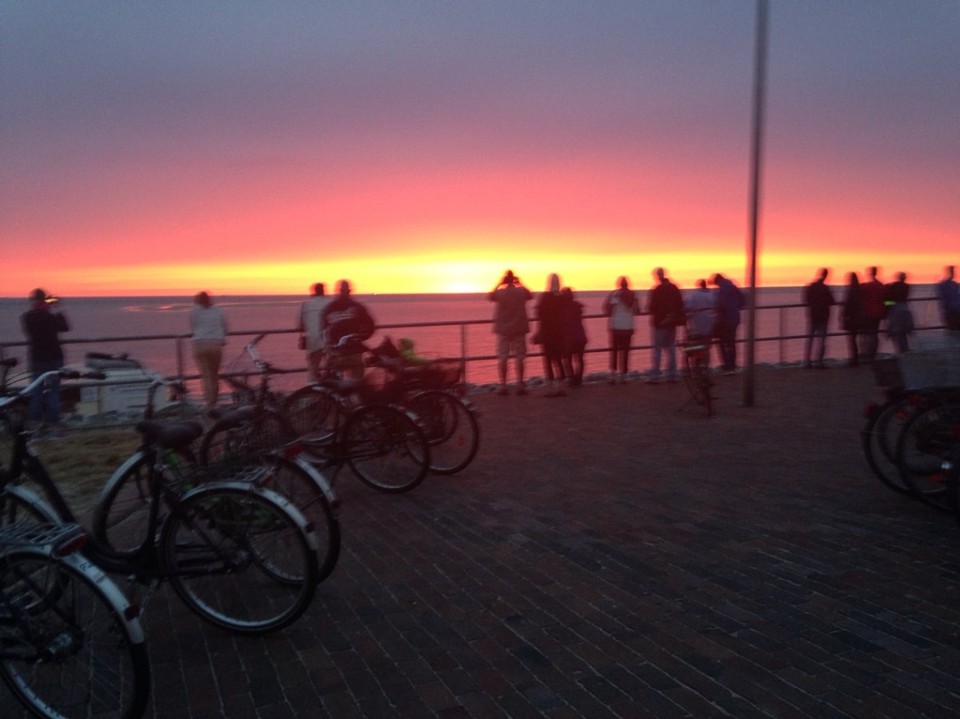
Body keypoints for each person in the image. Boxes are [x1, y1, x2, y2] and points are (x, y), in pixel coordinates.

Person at [20, 288, 70, 431]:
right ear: (45, 300)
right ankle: (53, 422)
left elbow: (30, 332)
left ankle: (34, 422)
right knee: (54, 391)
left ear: (32, 300)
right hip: (55, 357)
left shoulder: (27, 317)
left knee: (36, 391)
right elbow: (65, 328)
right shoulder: (51, 317)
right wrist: (58, 310)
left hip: (37, 358)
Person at [489, 270, 533, 395]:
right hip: (519, 328)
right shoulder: (521, 292)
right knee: (520, 357)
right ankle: (520, 384)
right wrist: (521, 283)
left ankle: (503, 385)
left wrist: (499, 283)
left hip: (503, 330)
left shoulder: (500, 293)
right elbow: (531, 295)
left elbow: (490, 297)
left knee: (503, 358)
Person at [321, 280, 375, 380]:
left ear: (338, 291)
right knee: (357, 384)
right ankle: (356, 395)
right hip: (354, 351)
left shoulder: (329, 308)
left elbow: (322, 329)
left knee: (332, 384)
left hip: (336, 352)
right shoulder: (358, 307)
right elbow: (371, 326)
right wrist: (361, 338)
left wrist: (329, 346)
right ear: (349, 291)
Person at [190, 291, 228, 411]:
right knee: (214, 375)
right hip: (215, 345)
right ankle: (214, 402)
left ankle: (209, 403)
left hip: (200, 344)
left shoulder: (194, 311)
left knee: (205, 375)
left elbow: (193, 326)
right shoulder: (218, 310)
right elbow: (225, 326)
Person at [646, 267, 685, 383]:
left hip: (659, 322)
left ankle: (655, 376)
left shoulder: (657, 290)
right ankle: (672, 374)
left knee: (657, 349)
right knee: (671, 348)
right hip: (671, 322)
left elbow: (652, 307)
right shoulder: (674, 288)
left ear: (657, 276)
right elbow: (680, 304)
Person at [602, 276, 639, 384]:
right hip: (628, 327)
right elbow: (637, 310)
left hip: (616, 326)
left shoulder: (615, 294)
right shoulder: (633, 295)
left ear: (619, 284)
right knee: (625, 352)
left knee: (614, 352)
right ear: (627, 284)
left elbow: (607, 309)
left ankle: (613, 375)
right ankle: (623, 376)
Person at [536, 273, 567, 396]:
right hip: (559, 333)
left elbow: (540, 315)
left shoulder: (544, 297)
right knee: (558, 360)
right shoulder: (562, 299)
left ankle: (550, 388)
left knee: (548, 360)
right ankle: (561, 386)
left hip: (547, 332)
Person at [711, 273, 744, 374]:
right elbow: (742, 299)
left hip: (725, 320)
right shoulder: (733, 287)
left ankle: (727, 365)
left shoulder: (722, 290)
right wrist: (736, 308)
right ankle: (732, 364)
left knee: (722, 343)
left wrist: (717, 314)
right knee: (731, 343)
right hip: (735, 318)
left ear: (718, 281)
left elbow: (721, 304)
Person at [802, 267, 835, 369]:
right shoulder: (825, 288)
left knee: (810, 339)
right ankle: (819, 361)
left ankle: (807, 361)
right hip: (823, 316)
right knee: (821, 340)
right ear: (826, 275)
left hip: (813, 315)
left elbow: (806, 299)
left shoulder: (811, 286)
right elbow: (832, 301)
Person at [297, 282, 328, 382]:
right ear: (324, 291)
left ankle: (313, 391)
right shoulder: (330, 304)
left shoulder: (305, 305)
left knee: (313, 370)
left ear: (313, 292)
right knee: (330, 369)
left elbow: (299, 325)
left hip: (312, 342)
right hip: (328, 341)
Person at [560, 287, 587, 388]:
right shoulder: (577, 306)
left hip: (569, 336)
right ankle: (578, 378)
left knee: (567, 358)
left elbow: (563, 322)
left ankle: (571, 378)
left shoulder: (563, 308)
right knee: (579, 358)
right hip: (580, 335)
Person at [860, 266, 886, 362]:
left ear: (870, 273)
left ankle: (867, 353)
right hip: (878, 313)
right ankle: (873, 353)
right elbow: (886, 301)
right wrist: (892, 303)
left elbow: (862, 297)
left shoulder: (867, 286)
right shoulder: (881, 286)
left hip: (868, 312)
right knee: (874, 334)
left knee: (868, 333)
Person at [840, 271, 865, 367]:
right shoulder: (860, 290)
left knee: (852, 339)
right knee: (858, 338)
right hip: (860, 317)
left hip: (852, 318)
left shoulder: (850, 291)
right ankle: (858, 357)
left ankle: (854, 359)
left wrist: (843, 315)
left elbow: (848, 305)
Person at [884, 271, 913, 353]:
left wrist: (885, 303)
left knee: (896, 330)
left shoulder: (894, 286)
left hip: (896, 309)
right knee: (903, 330)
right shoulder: (907, 287)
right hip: (904, 308)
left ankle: (899, 350)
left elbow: (891, 299)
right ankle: (905, 349)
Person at [936, 265, 960, 333]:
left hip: (955, 310)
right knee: (954, 330)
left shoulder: (954, 284)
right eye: (952, 272)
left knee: (954, 331)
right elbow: (943, 299)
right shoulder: (947, 285)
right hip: (951, 311)